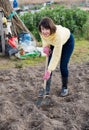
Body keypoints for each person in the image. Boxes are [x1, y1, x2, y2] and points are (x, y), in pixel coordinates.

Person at [38, 17, 74, 97]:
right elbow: (44, 39)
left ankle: (65, 87)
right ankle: (46, 89)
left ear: (51, 28)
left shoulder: (58, 35)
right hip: (54, 43)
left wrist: (50, 70)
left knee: (63, 66)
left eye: (47, 29)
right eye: (43, 29)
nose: (44, 31)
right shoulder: (42, 32)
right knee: (48, 65)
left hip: (67, 42)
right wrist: (45, 47)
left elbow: (56, 55)